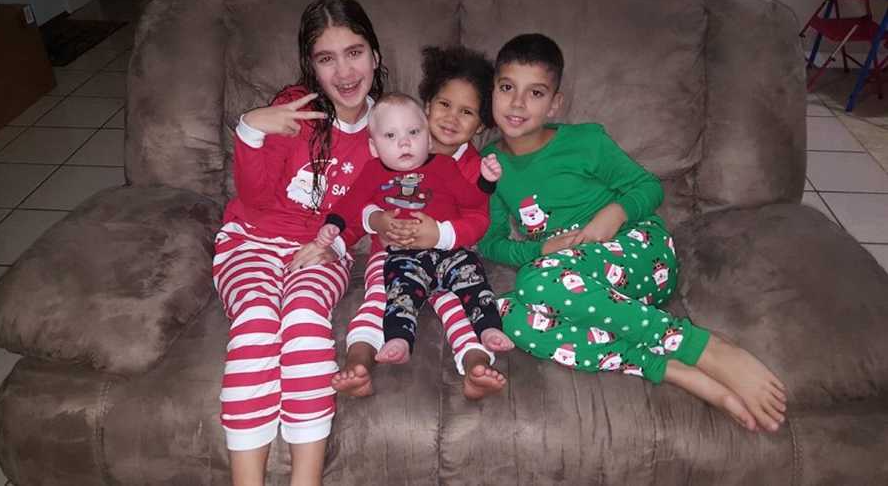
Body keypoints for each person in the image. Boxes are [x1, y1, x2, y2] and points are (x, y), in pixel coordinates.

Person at [478, 33, 789, 433]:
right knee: (504, 316)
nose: (517, 104)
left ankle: (704, 347)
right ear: (493, 92)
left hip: (640, 251)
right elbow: (490, 241)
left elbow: (648, 187)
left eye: (535, 92)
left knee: (537, 281)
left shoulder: (586, 141)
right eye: (507, 88)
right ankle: (668, 368)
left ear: (555, 102)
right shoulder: (489, 164)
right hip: (578, 282)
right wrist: (541, 246)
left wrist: (614, 212)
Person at [211, 0, 388, 486]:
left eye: (354, 52)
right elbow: (257, 197)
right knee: (257, 320)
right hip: (250, 238)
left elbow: (365, 215)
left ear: (375, 55)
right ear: (311, 66)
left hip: (321, 250)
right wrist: (250, 129)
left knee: (307, 321)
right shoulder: (295, 108)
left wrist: (333, 242)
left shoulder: (387, 130)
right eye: (326, 58)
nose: (345, 72)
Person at [332, 46, 511, 400]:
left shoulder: (475, 168)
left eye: (467, 112)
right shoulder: (397, 147)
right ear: (427, 107)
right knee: (380, 299)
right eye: (444, 105)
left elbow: (478, 219)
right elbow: (357, 202)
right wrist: (371, 222)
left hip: (450, 255)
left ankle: (476, 365)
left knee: (460, 305)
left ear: (480, 125)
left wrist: (441, 234)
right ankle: (359, 363)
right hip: (392, 256)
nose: (452, 118)